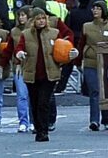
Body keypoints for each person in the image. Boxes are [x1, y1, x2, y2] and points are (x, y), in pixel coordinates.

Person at [13, 8, 78, 142]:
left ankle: (43, 131)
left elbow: (63, 49)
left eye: (43, 18)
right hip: (32, 73)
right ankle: (37, 126)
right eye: (38, 19)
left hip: (50, 73)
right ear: (33, 21)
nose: (41, 21)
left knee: (43, 102)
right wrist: (19, 54)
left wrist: (72, 54)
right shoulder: (26, 34)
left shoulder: (54, 33)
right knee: (35, 102)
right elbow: (19, 48)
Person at [76, 0, 108, 131]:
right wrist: (78, 61)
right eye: (93, 8)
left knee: (106, 92)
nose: (95, 11)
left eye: (98, 8)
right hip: (91, 62)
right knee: (94, 91)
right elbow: (81, 44)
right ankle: (94, 120)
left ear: (103, 11)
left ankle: (106, 119)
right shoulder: (87, 27)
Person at [6, 7, 32, 133]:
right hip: (19, 67)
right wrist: (2, 65)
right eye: (19, 15)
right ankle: (23, 122)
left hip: (32, 66)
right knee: (21, 96)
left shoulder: (34, 30)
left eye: (24, 15)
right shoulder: (14, 31)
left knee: (33, 96)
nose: (21, 18)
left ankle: (33, 121)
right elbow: (9, 50)